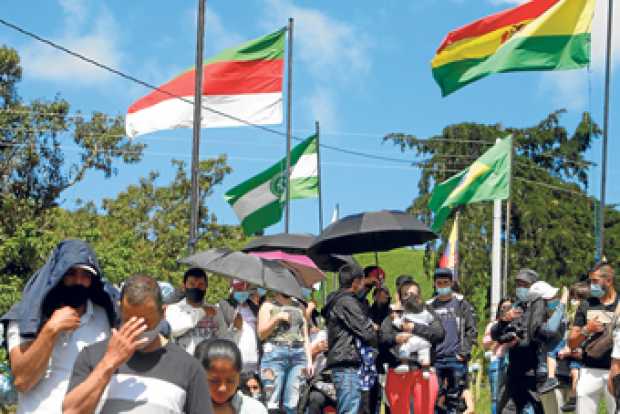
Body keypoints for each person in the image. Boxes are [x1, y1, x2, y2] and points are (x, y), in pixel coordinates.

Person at [63, 274, 213, 413]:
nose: (139, 329)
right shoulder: (92, 356)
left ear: (163, 313)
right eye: (130, 321)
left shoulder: (189, 368)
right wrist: (108, 364)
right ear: (120, 310)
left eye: (146, 322)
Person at [1, 240, 115, 414]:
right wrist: (50, 331)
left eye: (85, 275)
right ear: (57, 275)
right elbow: (23, 381)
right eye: (71, 273)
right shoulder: (27, 315)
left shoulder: (106, 317)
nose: (78, 280)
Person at [381, 279, 445, 414]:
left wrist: (415, 328)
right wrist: (395, 338)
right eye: (406, 294)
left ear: (419, 296)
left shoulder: (428, 311)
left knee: (425, 410)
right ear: (400, 297)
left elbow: (439, 334)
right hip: (398, 370)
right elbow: (382, 338)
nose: (409, 297)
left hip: (423, 370)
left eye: (413, 294)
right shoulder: (394, 314)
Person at [322, 264, 378, 414]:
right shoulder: (346, 302)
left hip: (344, 363)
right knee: (349, 409)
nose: (364, 284)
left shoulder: (340, 301)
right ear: (355, 282)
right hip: (346, 363)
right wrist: (373, 328)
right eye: (362, 281)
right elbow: (366, 332)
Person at [491, 268, 547, 414]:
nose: (520, 288)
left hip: (534, 374)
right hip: (514, 372)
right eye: (518, 284)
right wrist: (504, 321)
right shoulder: (516, 307)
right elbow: (495, 335)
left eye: (524, 284)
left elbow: (533, 334)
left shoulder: (540, 305)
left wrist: (517, 338)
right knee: (506, 410)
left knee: (537, 409)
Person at [568, 262, 618, 414]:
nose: (591, 285)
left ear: (608, 281)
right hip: (589, 370)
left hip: (616, 371)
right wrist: (586, 329)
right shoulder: (586, 304)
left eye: (595, 281)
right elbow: (571, 343)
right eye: (590, 281)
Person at [427, 268, 477, 414]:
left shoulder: (462, 304)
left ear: (451, 282)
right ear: (435, 284)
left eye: (446, 283)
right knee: (436, 399)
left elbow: (471, 330)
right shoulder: (429, 306)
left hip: (456, 359)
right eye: (439, 283)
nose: (442, 286)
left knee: (455, 400)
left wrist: (464, 352)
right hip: (436, 360)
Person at [258, 290, 312, 414]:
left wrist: (309, 360)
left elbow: (305, 336)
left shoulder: (300, 306)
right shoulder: (268, 305)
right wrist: (277, 317)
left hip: (298, 355)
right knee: (271, 401)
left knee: (293, 403)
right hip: (274, 354)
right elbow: (261, 334)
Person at [166, 268, 229, 355]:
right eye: (192, 284)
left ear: (206, 287)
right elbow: (174, 330)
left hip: (207, 363)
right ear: (184, 286)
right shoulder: (174, 309)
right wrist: (202, 311)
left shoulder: (214, 311)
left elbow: (224, 338)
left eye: (200, 284)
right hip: (182, 363)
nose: (196, 287)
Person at [195, 338, 267, 414]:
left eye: (230, 381)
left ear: (238, 377)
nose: (222, 388)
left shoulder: (254, 410)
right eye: (214, 381)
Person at [559, 281, 590, 412]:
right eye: (572, 297)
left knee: (575, 369)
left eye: (575, 298)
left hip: (580, 346)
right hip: (574, 345)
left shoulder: (585, 310)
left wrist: (571, 349)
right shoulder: (574, 313)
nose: (573, 300)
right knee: (574, 369)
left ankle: (574, 396)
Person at [219, 280, 259, 373]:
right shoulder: (224, 304)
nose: (242, 289)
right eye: (238, 287)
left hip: (253, 360)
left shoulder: (254, 307)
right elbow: (230, 325)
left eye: (244, 286)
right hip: (233, 359)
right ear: (232, 288)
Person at [483, 298, 513, 414]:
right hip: (497, 361)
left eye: (509, 308)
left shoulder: (517, 323)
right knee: (496, 397)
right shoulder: (493, 325)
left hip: (513, 361)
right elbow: (485, 344)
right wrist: (497, 337)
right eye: (503, 308)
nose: (506, 310)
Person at [393, 292, 433, 376]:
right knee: (424, 354)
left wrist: (395, 318)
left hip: (411, 339)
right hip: (424, 340)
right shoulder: (425, 313)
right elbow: (431, 319)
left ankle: (404, 364)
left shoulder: (407, 315)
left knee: (404, 347)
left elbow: (399, 324)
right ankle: (426, 370)